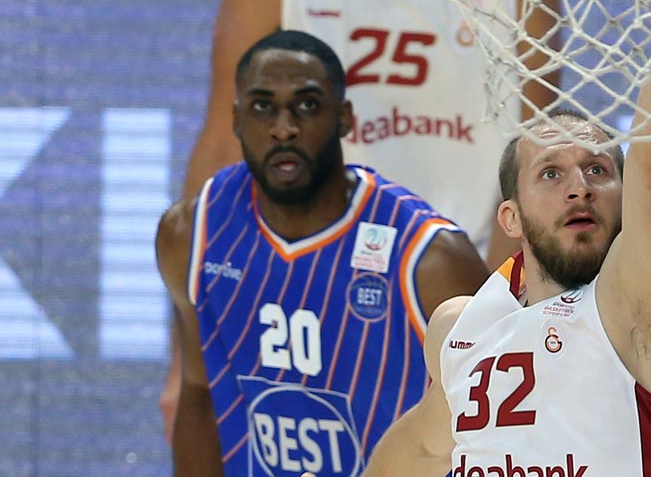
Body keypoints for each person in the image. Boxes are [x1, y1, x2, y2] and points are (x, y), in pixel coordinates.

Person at [160, 0, 560, 442]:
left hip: (457, 272)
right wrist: (185, 363)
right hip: (320, 274)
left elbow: (528, 164)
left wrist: (492, 315)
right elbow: (223, 142)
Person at [361, 0, 651, 475]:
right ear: (511, 217)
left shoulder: (643, 307)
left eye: (597, 170)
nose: (579, 187)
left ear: (626, 200)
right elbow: (423, 450)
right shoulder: (462, 327)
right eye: (551, 173)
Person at [155, 29, 489, 476]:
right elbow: (199, 391)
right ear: (236, 119)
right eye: (262, 107)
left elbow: (497, 429)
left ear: (344, 118)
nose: (284, 128)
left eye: (308, 105)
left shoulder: (431, 259)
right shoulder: (192, 235)